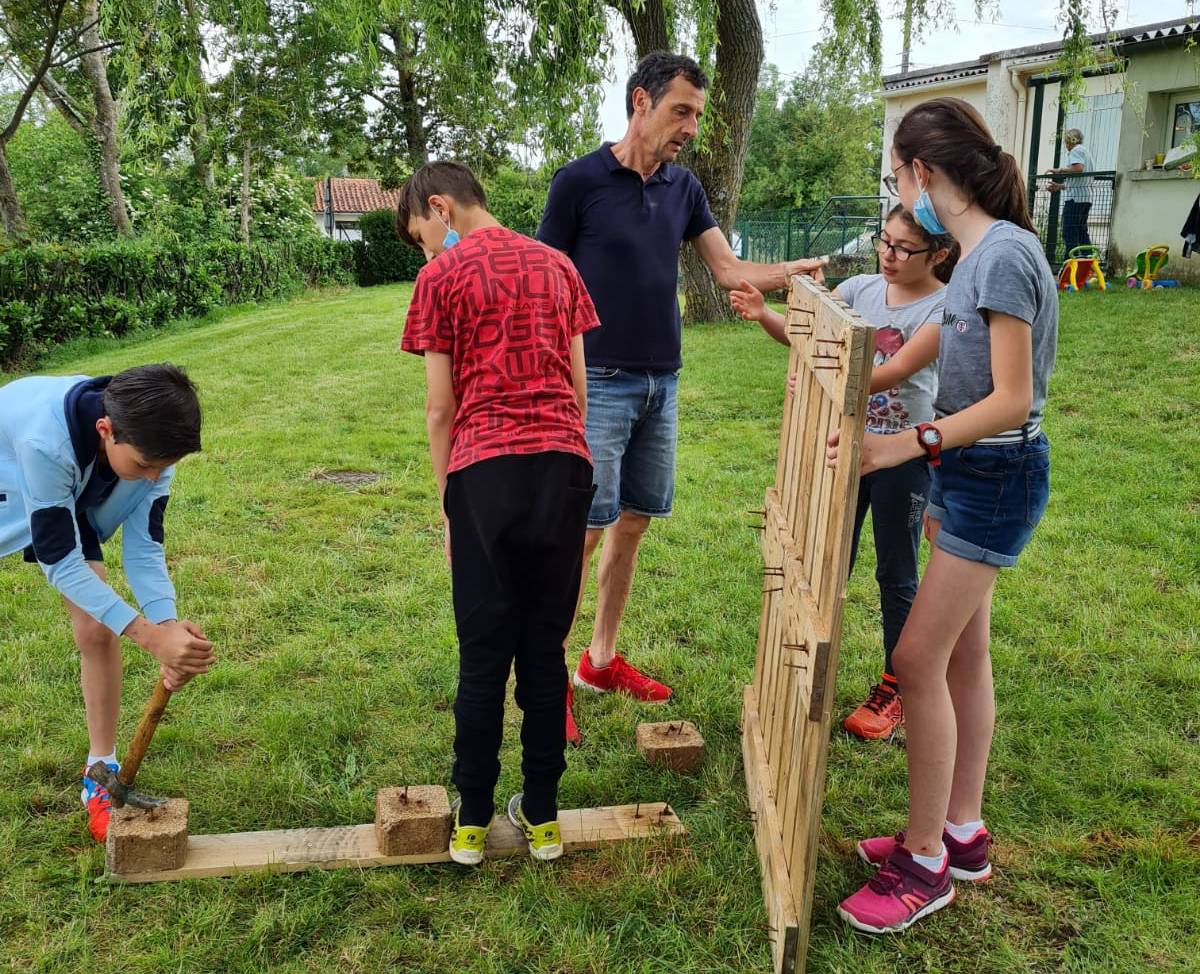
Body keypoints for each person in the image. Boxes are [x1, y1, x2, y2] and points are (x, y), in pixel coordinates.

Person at [537, 51, 826, 741]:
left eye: (697, 114)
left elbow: (727, 269)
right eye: (681, 112)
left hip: (661, 382)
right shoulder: (578, 182)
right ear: (640, 101)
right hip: (596, 383)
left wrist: (791, 271)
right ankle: (547, 681)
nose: (691, 127)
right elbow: (547, 283)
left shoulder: (682, 189)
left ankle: (600, 660)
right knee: (581, 533)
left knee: (633, 521)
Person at [830, 96, 1057, 934]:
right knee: (965, 656)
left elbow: (1011, 398)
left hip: (993, 471)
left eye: (897, 176)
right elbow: (930, 356)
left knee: (916, 660)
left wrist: (907, 446)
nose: (900, 194)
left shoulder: (997, 256)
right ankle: (961, 832)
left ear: (923, 173)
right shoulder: (981, 254)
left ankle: (924, 863)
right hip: (973, 471)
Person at [398, 161, 598, 864]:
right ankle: (543, 817)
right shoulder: (559, 267)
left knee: (483, 655)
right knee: (544, 649)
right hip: (564, 467)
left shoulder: (439, 280)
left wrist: (451, 503)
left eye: (422, 234)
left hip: (484, 470)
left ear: (441, 207)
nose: (425, 250)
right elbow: (577, 386)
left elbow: (439, 407)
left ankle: (473, 821)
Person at [732, 204, 958, 741]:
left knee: (896, 573)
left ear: (940, 255)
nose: (889, 255)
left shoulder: (943, 309)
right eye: (885, 241)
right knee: (831, 558)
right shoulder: (859, 288)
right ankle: (809, 666)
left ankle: (897, 686)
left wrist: (822, 377)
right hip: (846, 451)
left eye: (904, 248)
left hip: (901, 458)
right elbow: (811, 337)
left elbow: (892, 371)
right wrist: (768, 314)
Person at [0, 364, 214, 842]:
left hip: (74, 484)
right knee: (95, 603)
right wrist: (148, 636)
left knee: (95, 628)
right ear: (106, 430)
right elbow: (60, 560)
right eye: (144, 467)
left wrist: (167, 626)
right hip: (14, 480)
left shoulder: (149, 446)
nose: (154, 476)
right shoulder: (44, 442)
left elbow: (144, 548)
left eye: (163, 466)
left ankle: (99, 769)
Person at [1046, 128, 1095, 257]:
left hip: (1075, 200)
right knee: (1081, 231)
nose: (1066, 146)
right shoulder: (1086, 152)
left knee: (1069, 232)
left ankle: (1070, 262)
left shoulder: (1076, 150)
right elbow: (1078, 179)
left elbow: (1078, 169)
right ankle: (1088, 260)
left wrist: (1059, 170)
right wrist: (1059, 186)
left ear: (1069, 141)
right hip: (1085, 198)